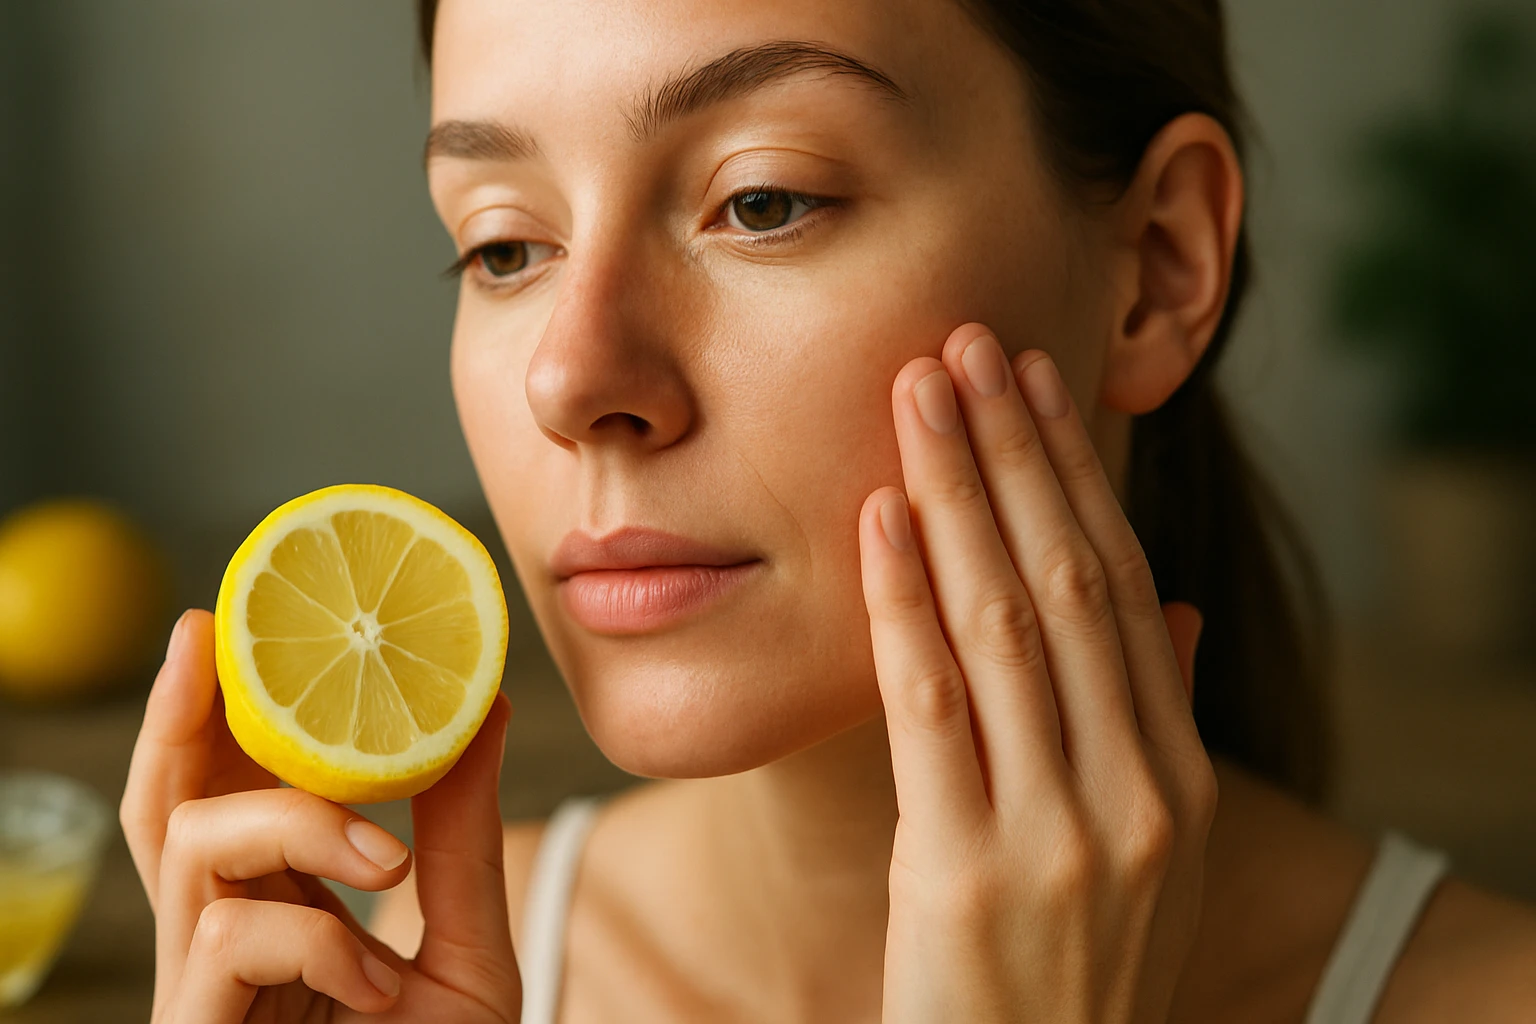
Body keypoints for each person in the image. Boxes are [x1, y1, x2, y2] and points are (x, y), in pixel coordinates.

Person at [119, 0, 1536, 1020]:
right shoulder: (388, 976)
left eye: (765, 201)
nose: (573, 375)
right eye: (504, 245)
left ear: (1157, 268)